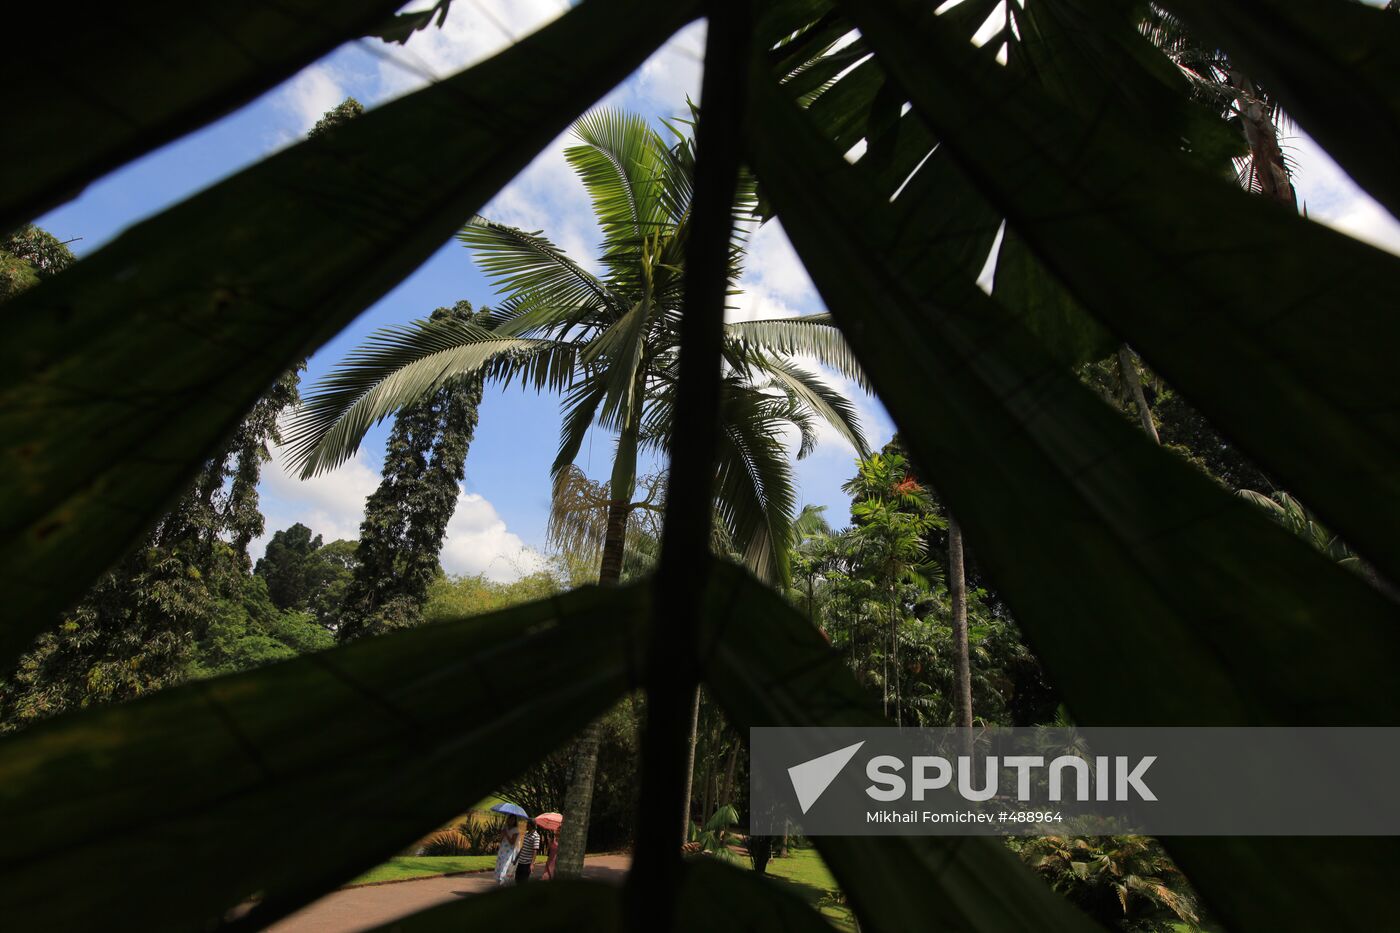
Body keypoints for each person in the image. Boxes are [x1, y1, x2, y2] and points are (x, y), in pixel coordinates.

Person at [494, 815, 521, 886]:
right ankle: (500, 882)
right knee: (499, 865)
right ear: (508, 819)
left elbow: (512, 842)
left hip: (509, 851)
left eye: (513, 820)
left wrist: (506, 834)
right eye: (510, 819)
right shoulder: (505, 827)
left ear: (515, 821)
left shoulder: (516, 830)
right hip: (502, 849)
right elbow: (500, 840)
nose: (511, 821)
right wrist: (502, 834)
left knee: (504, 866)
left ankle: (502, 882)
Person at [515, 819, 541, 884]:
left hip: (527, 863)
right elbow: (523, 847)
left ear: (531, 825)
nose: (526, 826)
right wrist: (516, 858)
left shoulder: (536, 836)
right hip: (521, 862)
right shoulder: (526, 834)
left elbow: (535, 851)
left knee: (523, 881)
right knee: (517, 880)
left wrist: (532, 864)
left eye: (527, 824)